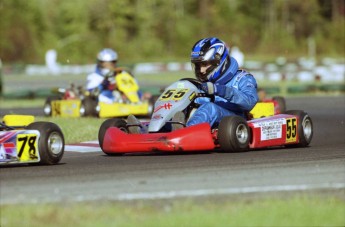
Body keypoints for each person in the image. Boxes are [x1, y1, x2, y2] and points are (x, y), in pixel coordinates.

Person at [175, 37, 259, 129]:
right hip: (206, 120)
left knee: (210, 108)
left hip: (234, 121)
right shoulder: (205, 82)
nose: (201, 70)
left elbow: (250, 102)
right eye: (198, 66)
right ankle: (163, 130)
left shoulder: (242, 78)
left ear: (218, 61)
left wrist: (220, 90)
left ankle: (184, 134)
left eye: (204, 64)